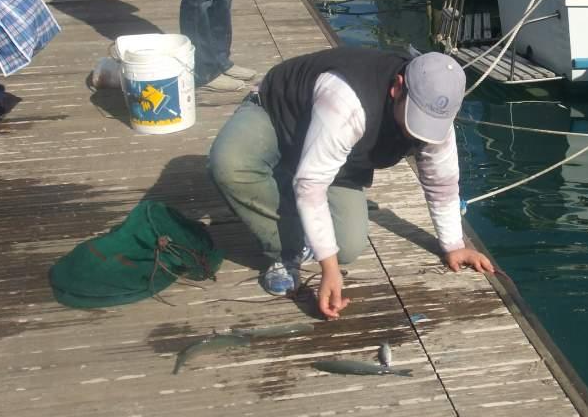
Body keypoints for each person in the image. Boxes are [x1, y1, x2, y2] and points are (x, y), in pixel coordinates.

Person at [209, 48, 495, 320]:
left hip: (339, 153)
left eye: (430, 123)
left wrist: (454, 245)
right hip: (279, 115)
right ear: (397, 87)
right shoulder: (347, 101)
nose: (419, 132)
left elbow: (441, 185)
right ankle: (284, 248)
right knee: (230, 163)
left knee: (347, 247)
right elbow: (311, 186)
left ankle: (288, 179)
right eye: (415, 117)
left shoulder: (437, 120)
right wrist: (328, 269)